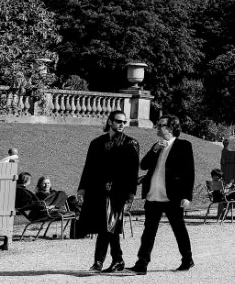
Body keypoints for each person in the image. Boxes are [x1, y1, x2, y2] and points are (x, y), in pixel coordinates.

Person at [78, 109, 140, 272]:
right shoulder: (96, 143)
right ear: (110, 122)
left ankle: (98, 262)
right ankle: (118, 260)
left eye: (124, 122)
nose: (121, 125)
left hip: (118, 192)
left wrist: (131, 194)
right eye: (119, 121)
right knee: (107, 226)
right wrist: (82, 188)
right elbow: (89, 167)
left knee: (108, 226)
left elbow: (133, 172)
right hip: (98, 191)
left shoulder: (130, 143)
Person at [132, 115, 195, 274]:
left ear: (171, 128)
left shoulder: (184, 145)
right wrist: (154, 150)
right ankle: (142, 264)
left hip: (172, 196)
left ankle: (187, 259)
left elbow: (189, 172)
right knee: (148, 232)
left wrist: (187, 196)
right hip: (153, 194)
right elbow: (144, 165)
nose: (158, 127)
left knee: (178, 228)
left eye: (161, 125)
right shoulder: (157, 145)